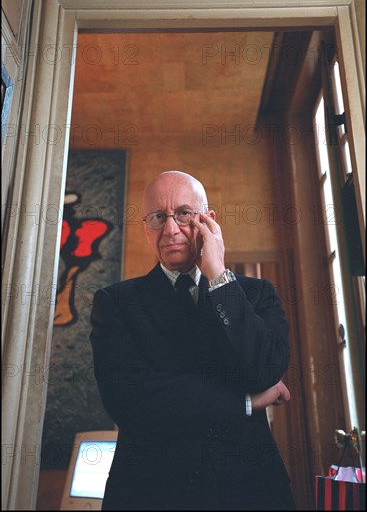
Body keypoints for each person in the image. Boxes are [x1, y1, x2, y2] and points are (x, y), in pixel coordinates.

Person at [90, 170, 296, 510]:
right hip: (154, 494)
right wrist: (244, 403)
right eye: (158, 217)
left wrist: (218, 276)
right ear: (146, 228)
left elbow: (267, 369)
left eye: (184, 214)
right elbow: (130, 401)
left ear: (208, 221)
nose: (170, 230)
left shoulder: (255, 293)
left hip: (250, 491)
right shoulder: (115, 303)